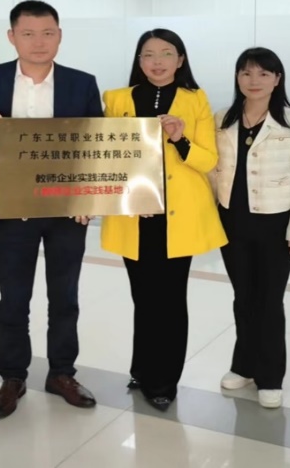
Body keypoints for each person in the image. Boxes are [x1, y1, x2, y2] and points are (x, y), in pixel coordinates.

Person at [0, 0, 103, 419]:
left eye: (47, 33)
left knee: (65, 296)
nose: (39, 42)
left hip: (66, 207)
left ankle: (61, 373)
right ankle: (12, 376)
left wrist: (89, 197)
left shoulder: (81, 83)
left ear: (59, 36)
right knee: (14, 297)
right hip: (11, 206)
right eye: (28, 33)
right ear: (12, 37)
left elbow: (95, 143)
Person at [101, 29, 227, 411]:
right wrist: (124, 197)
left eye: (166, 53)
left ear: (180, 60)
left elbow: (209, 160)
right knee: (143, 297)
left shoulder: (195, 99)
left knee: (170, 300)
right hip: (134, 214)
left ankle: (164, 381)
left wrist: (180, 139)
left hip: (177, 215)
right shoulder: (116, 99)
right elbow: (105, 156)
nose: (157, 61)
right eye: (149, 54)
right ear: (139, 61)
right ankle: (142, 369)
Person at [212, 47, 290, 409]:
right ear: (237, 77)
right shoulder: (222, 118)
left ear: (277, 79)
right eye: (246, 73)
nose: (253, 81)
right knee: (243, 297)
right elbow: (212, 169)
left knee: (269, 300)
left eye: (263, 74)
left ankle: (270, 376)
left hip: (275, 223)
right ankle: (244, 365)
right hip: (232, 221)